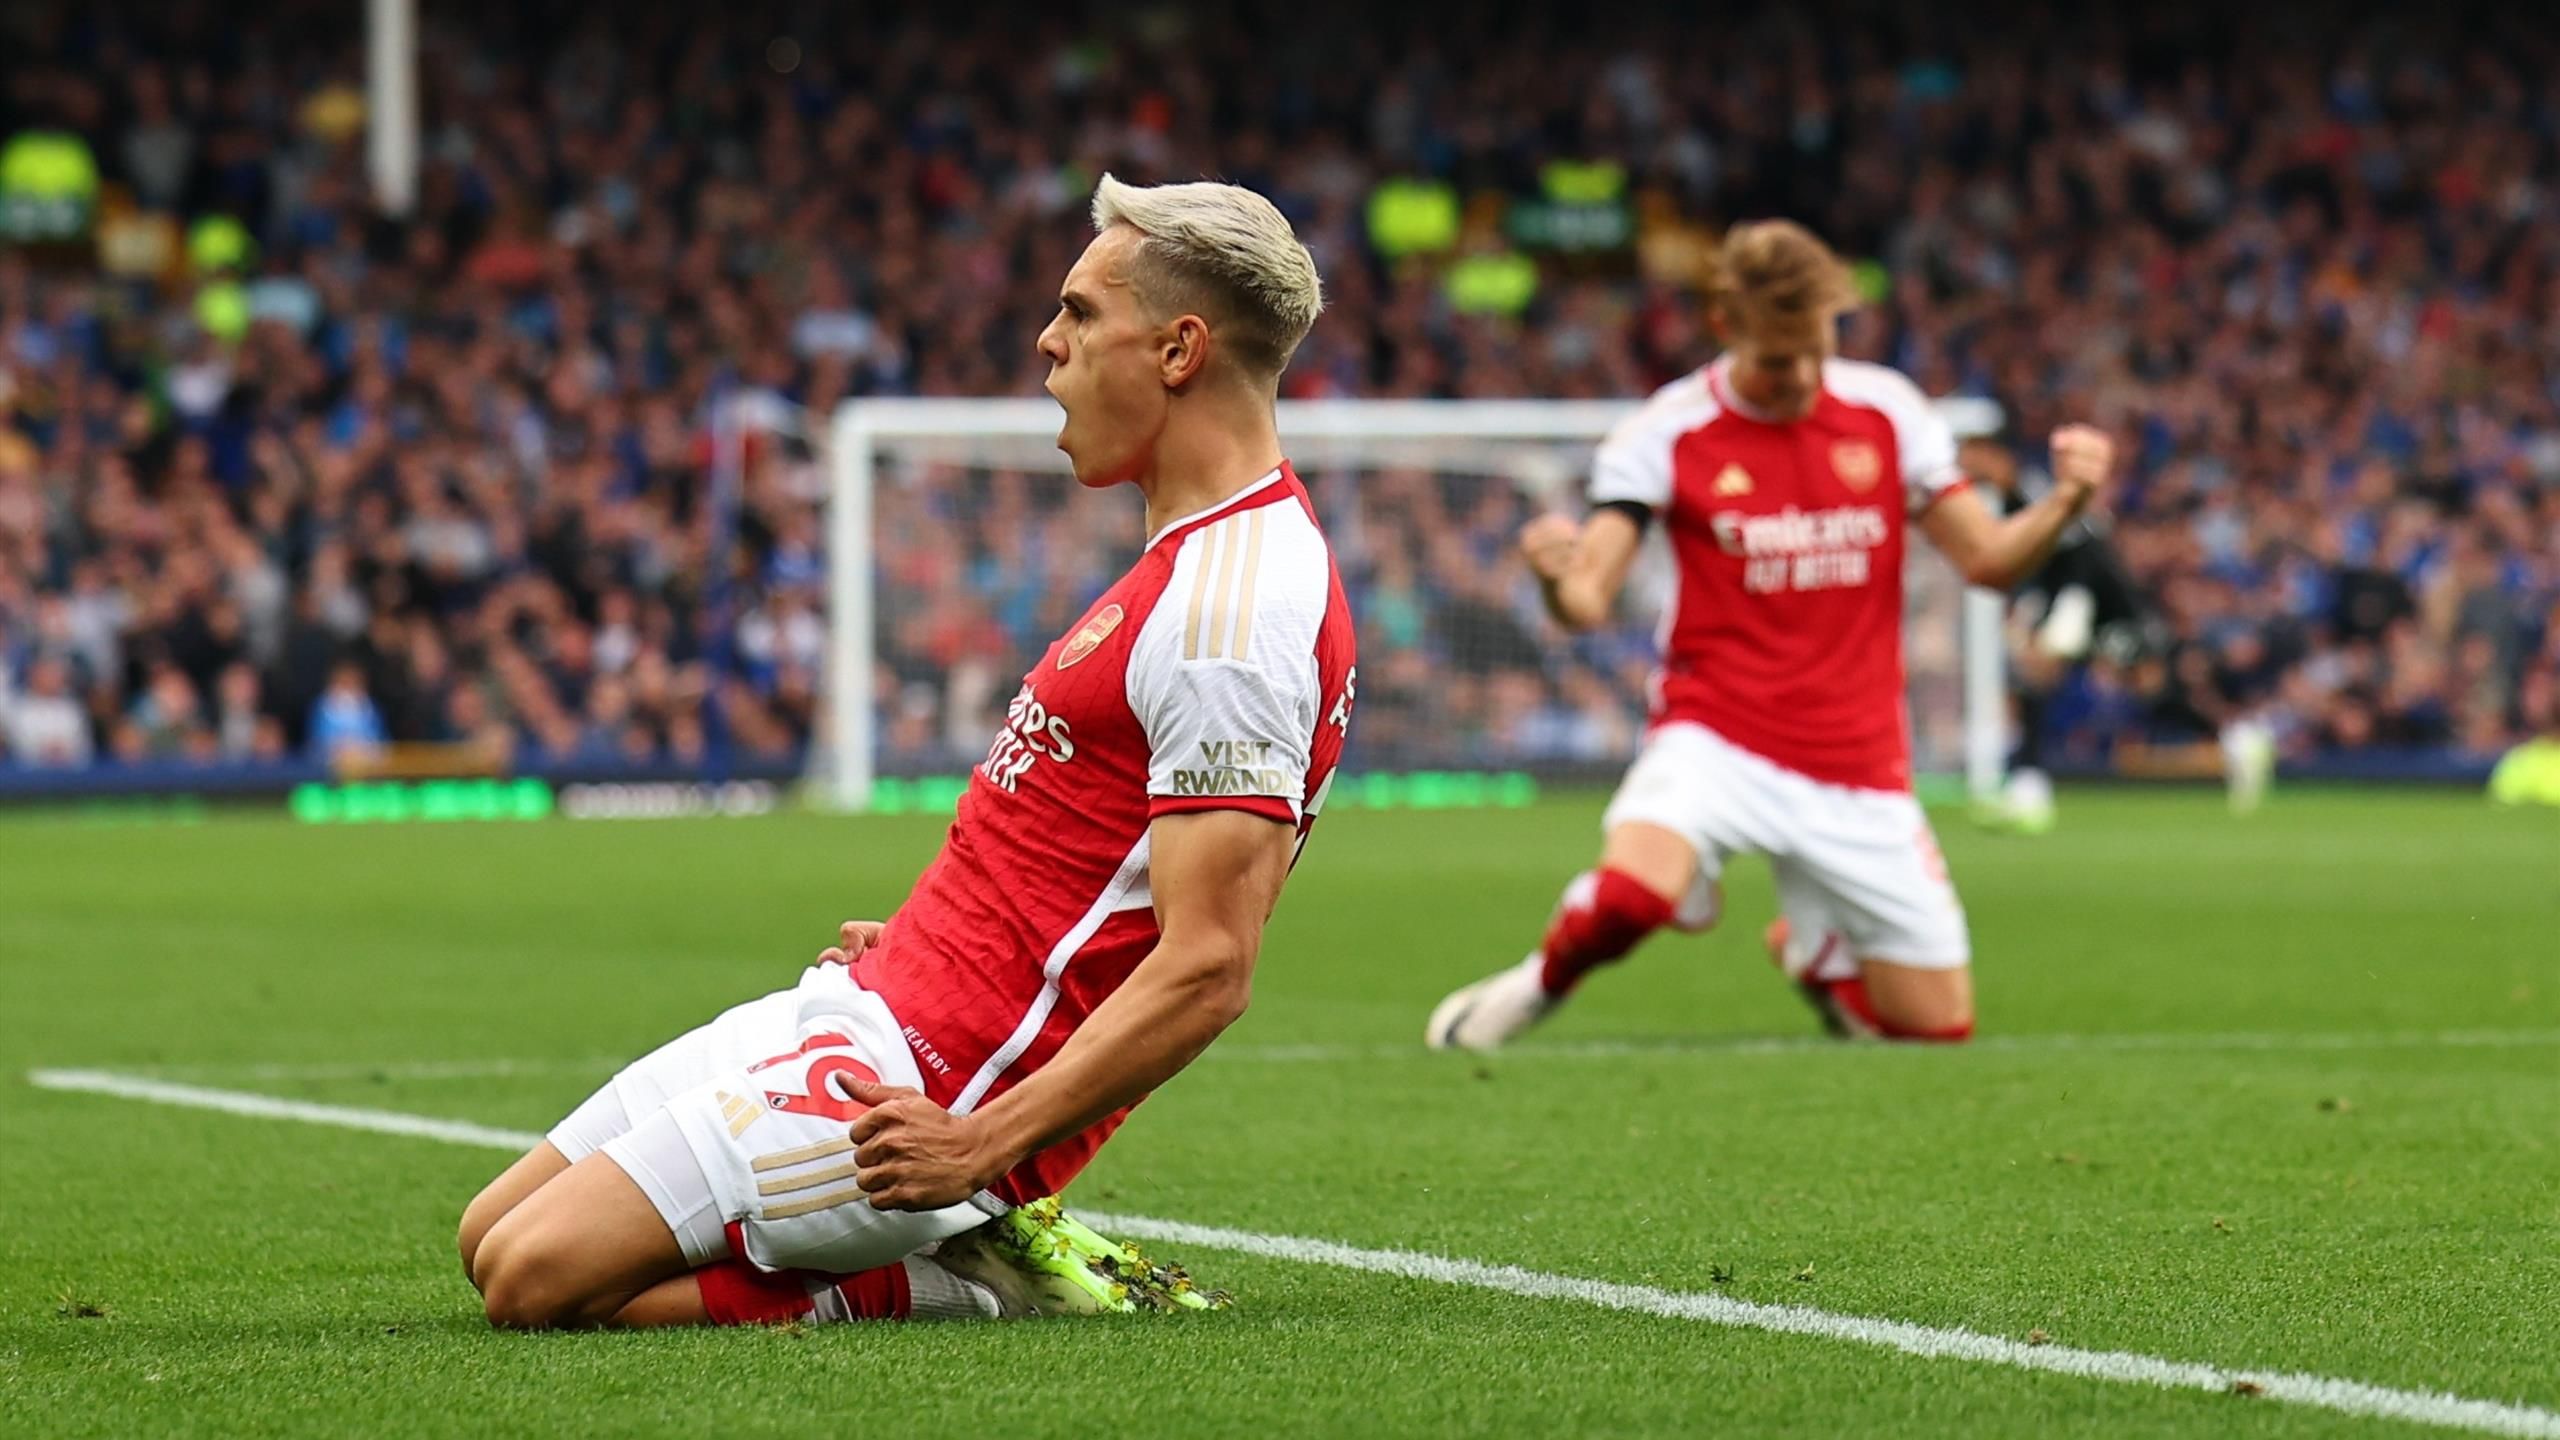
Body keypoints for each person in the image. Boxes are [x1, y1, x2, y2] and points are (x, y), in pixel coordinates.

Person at [457, 176, 1356, 1327]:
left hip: (941, 1084)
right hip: (891, 994)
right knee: (489, 1232)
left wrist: (979, 1147)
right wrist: (932, 934)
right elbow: (1078, 845)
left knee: (536, 1283)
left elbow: (1209, 965)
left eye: (1080, 313)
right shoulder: (1192, 560)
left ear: (1178, 350)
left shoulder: (1233, 607)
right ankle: (970, 1226)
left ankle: (956, 1267)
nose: (1048, 340)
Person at [1426, 221, 2112, 1050]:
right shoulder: (1666, 432)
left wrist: (2066, 503)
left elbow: (1990, 562)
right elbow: (1587, 602)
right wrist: (1552, 571)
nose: (1798, 377)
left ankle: (1817, 952)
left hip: (1858, 761)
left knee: (1937, 1033)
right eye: (1777, 359)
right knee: (1637, 895)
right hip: (1717, 733)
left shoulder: (1888, 412)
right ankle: (1536, 987)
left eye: (1813, 350)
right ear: (1726, 328)